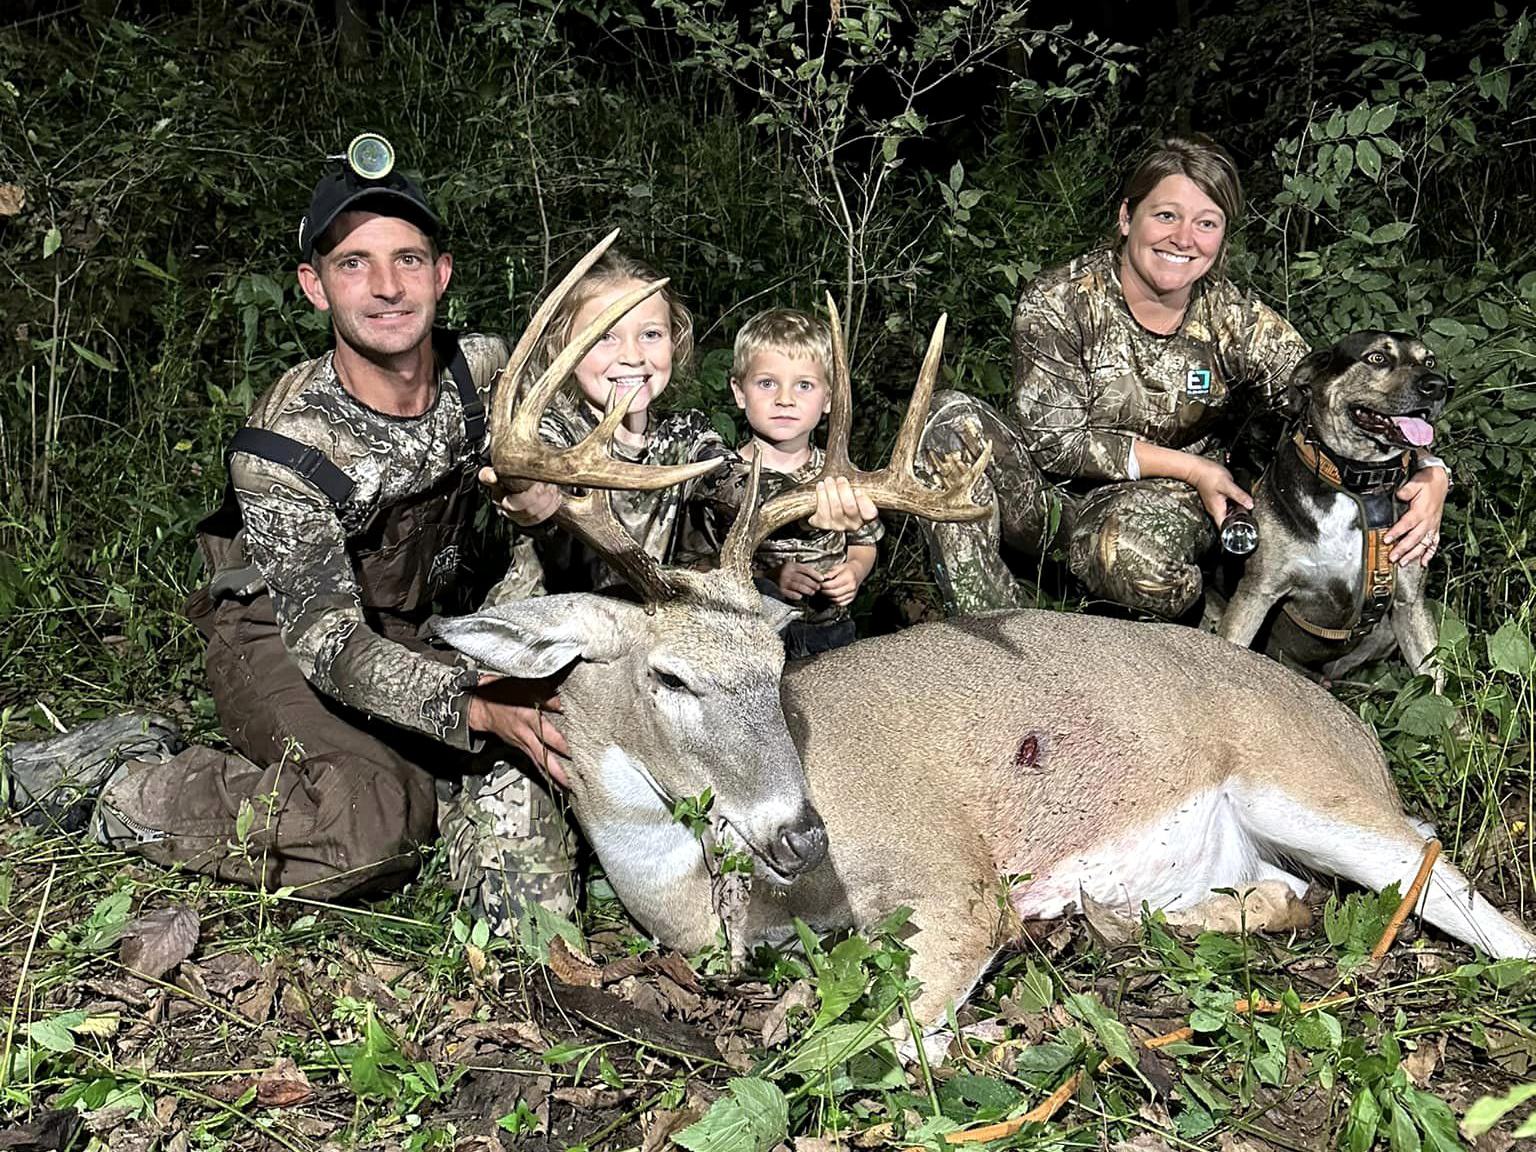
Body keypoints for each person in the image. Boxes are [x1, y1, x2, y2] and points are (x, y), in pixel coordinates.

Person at [1, 137, 576, 931]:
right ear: (313, 286)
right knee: (371, 825)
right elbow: (330, 645)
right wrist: (472, 703)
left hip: (424, 626)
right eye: (353, 264)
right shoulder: (284, 448)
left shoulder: (488, 371)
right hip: (281, 632)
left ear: (441, 275)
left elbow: (593, 451)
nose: (386, 287)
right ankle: (122, 781)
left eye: (408, 259)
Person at [917, 135, 1449, 620]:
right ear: (1127, 217)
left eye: (1207, 222)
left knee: (1137, 562)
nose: (1184, 239)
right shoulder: (1059, 301)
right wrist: (1193, 466)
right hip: (1047, 501)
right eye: (1166, 215)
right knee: (946, 418)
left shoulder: (1233, 318)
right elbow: (1054, 444)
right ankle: (990, 627)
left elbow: (1329, 394)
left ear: (1221, 237)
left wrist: (1430, 471)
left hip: (1158, 508)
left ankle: (1169, 645)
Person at [484, 254, 877, 598]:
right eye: (605, 337)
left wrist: (807, 509)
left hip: (645, 643)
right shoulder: (555, 433)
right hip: (544, 638)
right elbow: (524, 472)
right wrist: (527, 491)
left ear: (676, 340)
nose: (633, 356)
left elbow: (736, 485)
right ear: (560, 348)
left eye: (651, 335)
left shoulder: (685, 438)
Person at [686, 308, 881, 658]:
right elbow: (697, 567)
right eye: (767, 383)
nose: (785, 399)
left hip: (831, 632)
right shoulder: (720, 476)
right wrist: (768, 578)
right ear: (739, 391)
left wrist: (854, 571)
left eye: (804, 385)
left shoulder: (840, 474)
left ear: (828, 399)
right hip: (749, 639)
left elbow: (864, 542)